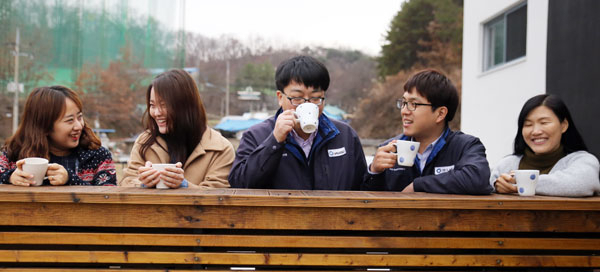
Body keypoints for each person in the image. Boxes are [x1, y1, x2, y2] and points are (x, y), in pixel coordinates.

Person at [229, 55, 367, 189]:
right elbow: (239, 183)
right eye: (297, 98)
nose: (307, 104)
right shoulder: (256, 135)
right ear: (280, 97)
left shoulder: (344, 135)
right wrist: (274, 141)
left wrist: (374, 171)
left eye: (315, 98)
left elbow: (362, 187)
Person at [363, 69, 492, 194]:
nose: (404, 111)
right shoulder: (388, 149)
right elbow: (365, 202)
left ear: (440, 114)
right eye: (403, 103)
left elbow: (478, 178)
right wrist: (374, 171)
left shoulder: (465, 146)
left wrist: (418, 185)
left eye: (414, 104)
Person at [121, 69, 234, 188]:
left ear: (186, 105)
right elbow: (126, 181)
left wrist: (183, 185)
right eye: (152, 105)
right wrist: (143, 183)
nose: (156, 113)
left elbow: (219, 196)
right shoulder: (144, 141)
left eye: (164, 105)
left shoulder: (221, 148)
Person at [0, 86, 116, 186]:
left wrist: (71, 179)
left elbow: (109, 198)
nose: (79, 126)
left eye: (79, 117)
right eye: (70, 120)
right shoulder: (13, 153)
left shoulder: (98, 156)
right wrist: (9, 178)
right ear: (44, 127)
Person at [490, 94, 600, 197]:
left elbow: (581, 183)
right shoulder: (507, 164)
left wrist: (522, 183)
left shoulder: (582, 160)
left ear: (564, 125)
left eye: (544, 123)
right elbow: (485, 182)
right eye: (528, 124)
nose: (536, 131)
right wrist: (497, 185)